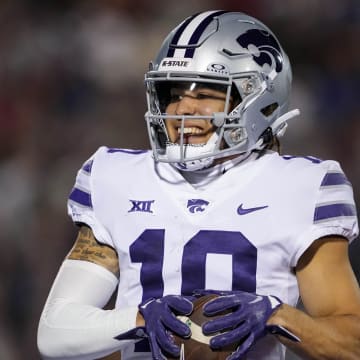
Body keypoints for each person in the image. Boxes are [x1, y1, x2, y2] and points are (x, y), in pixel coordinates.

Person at [37, 10, 360, 360]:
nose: (181, 110)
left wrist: (277, 315)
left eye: (206, 93)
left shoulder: (304, 186)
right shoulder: (116, 177)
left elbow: (350, 342)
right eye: (173, 93)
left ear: (258, 99)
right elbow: (55, 333)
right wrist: (140, 318)